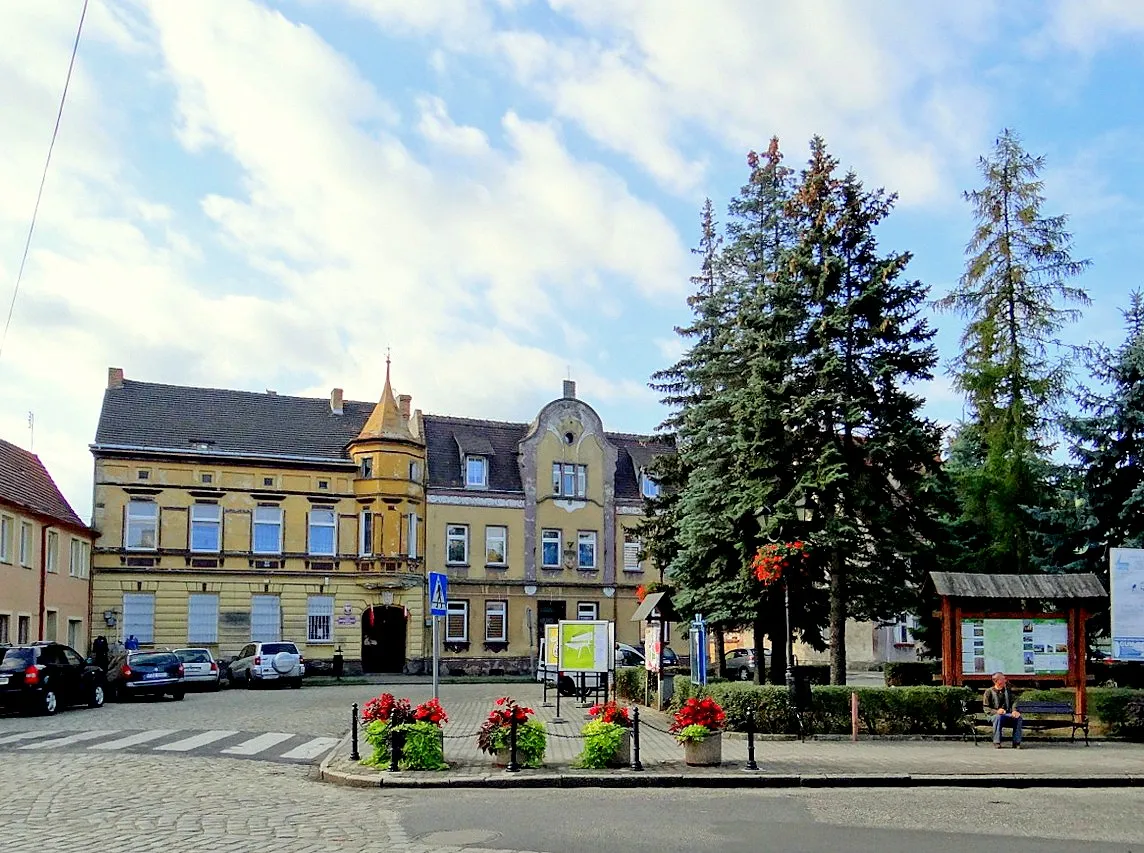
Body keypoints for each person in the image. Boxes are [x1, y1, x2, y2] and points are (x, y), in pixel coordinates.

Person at [983, 672, 1023, 748]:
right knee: (998, 717)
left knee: (1018, 718)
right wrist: (997, 711)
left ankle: (1016, 742)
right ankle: (997, 742)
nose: (1005, 680)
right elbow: (986, 708)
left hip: (1007, 715)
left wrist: (1014, 710)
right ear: (996, 681)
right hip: (993, 716)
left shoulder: (1008, 691)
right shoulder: (988, 692)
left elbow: (1014, 701)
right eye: (1003, 679)